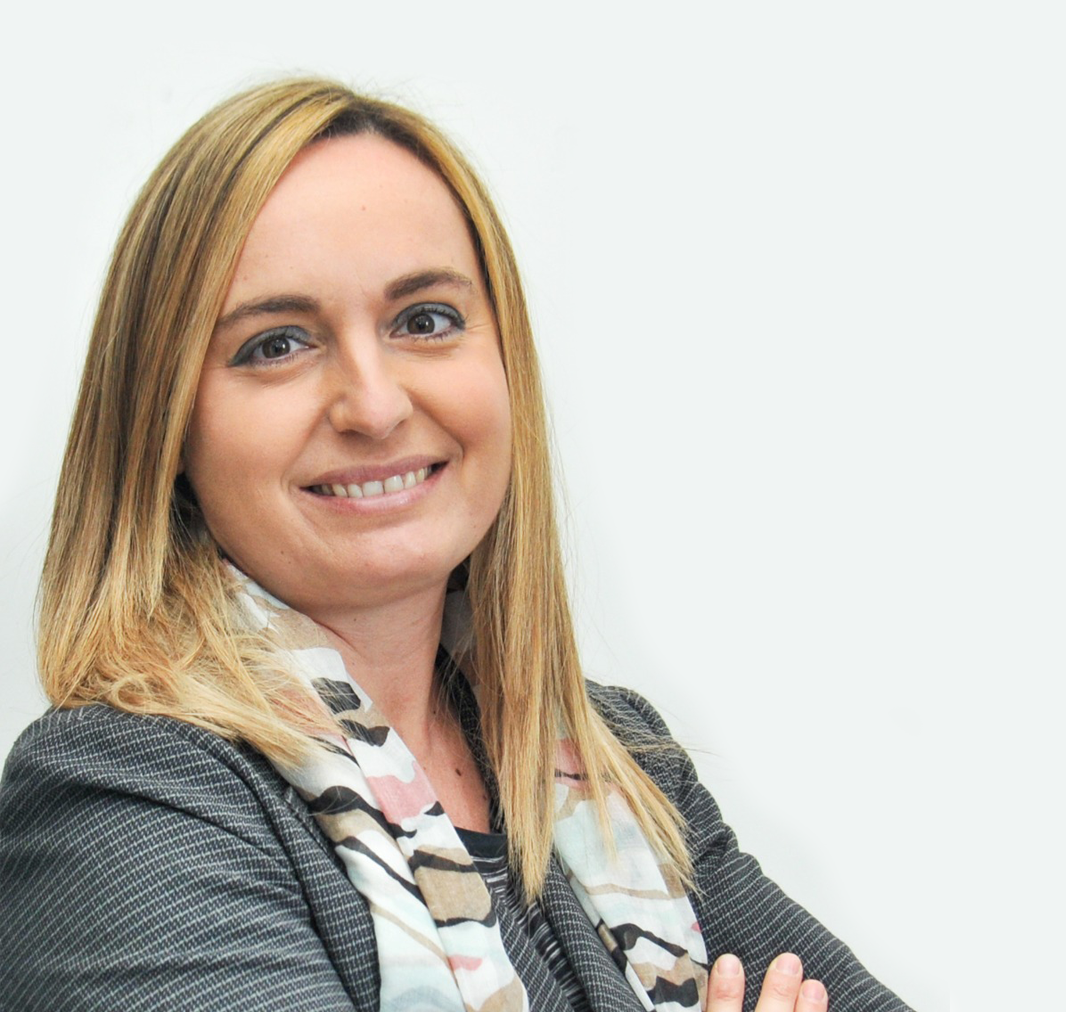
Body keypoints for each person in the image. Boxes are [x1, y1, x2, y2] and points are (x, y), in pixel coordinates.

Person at [0, 78, 912, 1012]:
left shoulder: (617, 767)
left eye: (424, 321)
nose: (375, 405)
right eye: (277, 344)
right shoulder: (122, 806)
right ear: (163, 428)